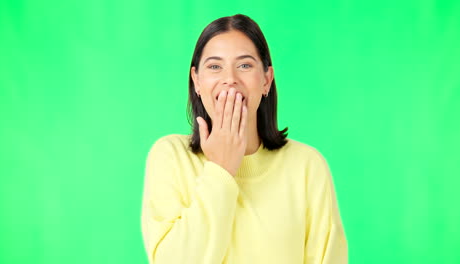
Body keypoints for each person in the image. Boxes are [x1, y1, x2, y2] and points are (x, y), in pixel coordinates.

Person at [141, 14, 348, 264]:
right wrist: (221, 169)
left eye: (245, 65)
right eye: (215, 66)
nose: (230, 79)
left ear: (266, 80)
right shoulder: (169, 156)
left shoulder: (307, 166)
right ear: (196, 81)